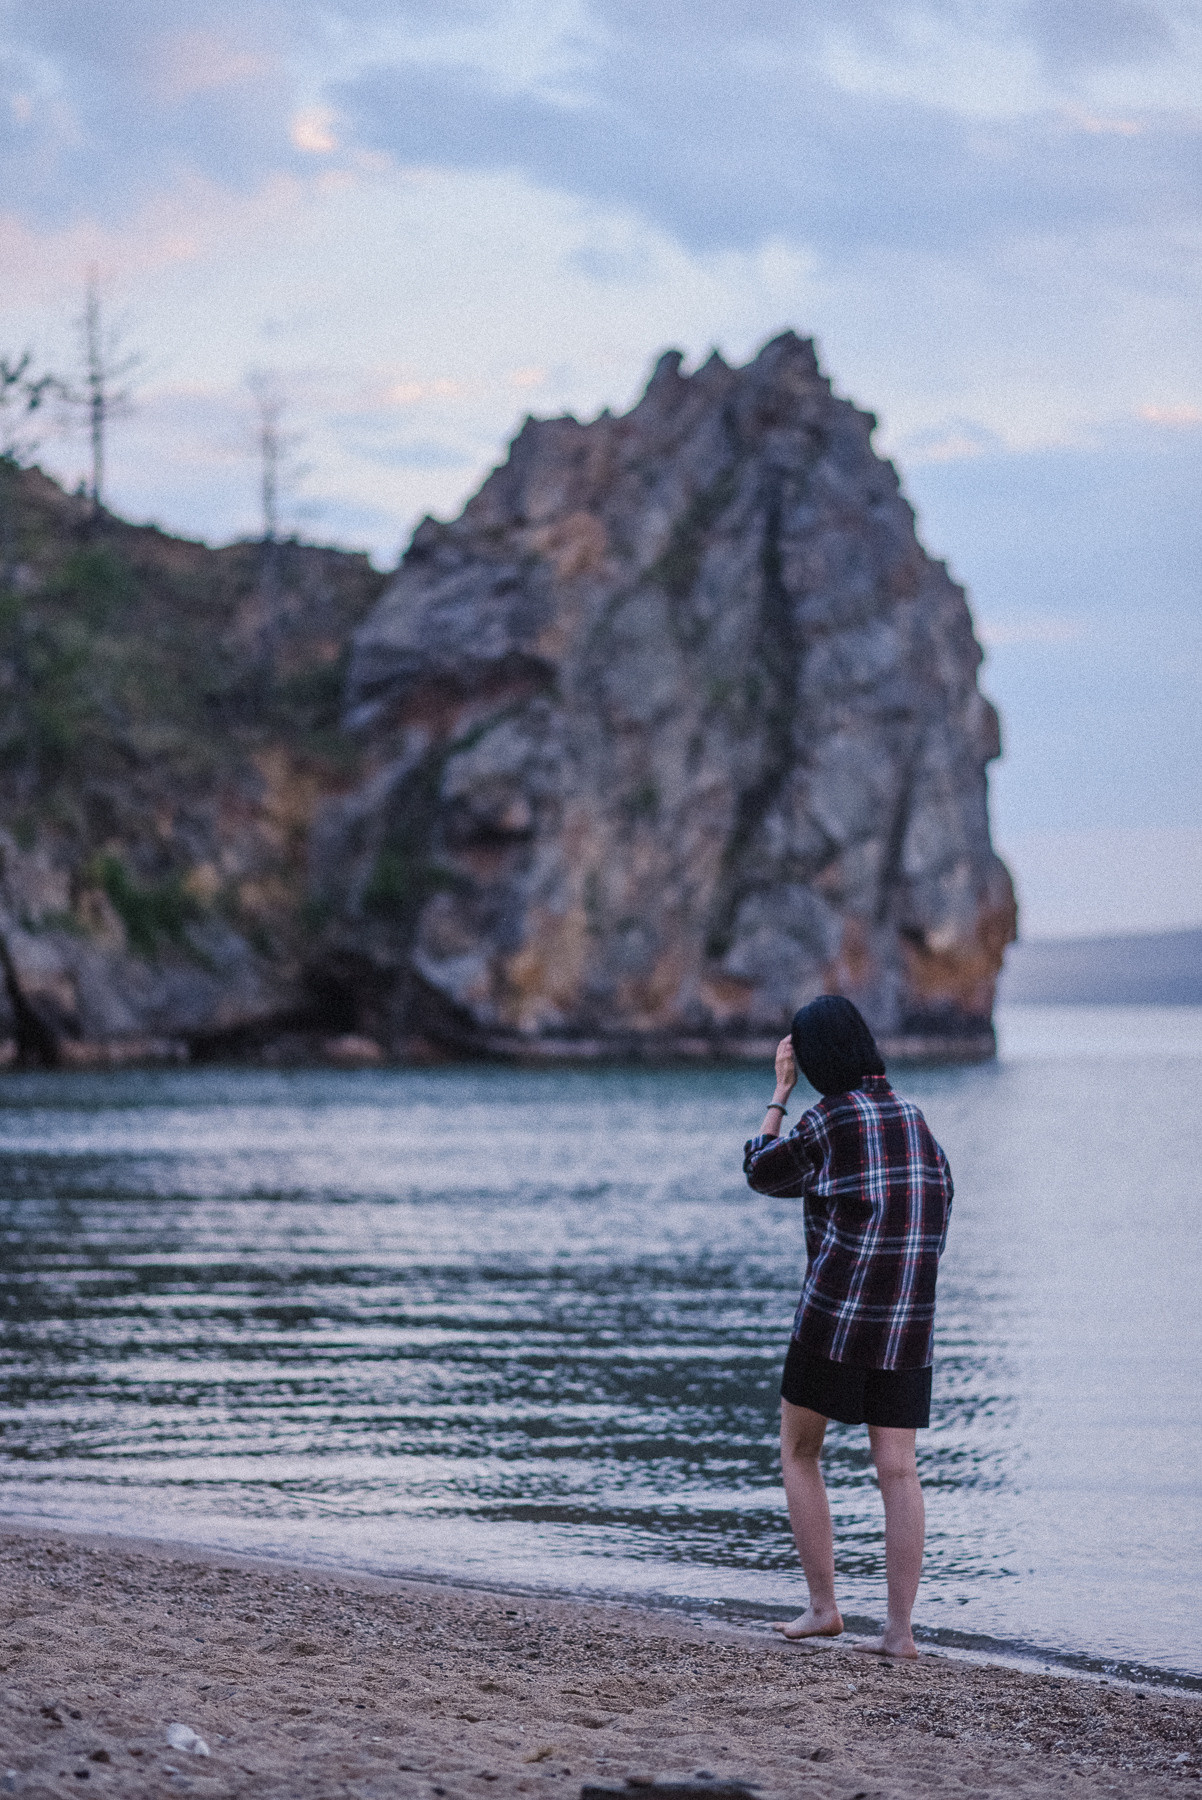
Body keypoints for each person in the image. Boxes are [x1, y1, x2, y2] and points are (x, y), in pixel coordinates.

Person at [743, 995, 953, 1658]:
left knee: (801, 1451)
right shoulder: (915, 1120)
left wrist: (779, 1093)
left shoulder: (828, 1119)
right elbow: (940, 1201)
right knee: (899, 1469)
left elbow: (762, 1170)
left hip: (834, 1317)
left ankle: (823, 1608)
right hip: (908, 1324)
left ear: (813, 1059)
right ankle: (899, 1632)